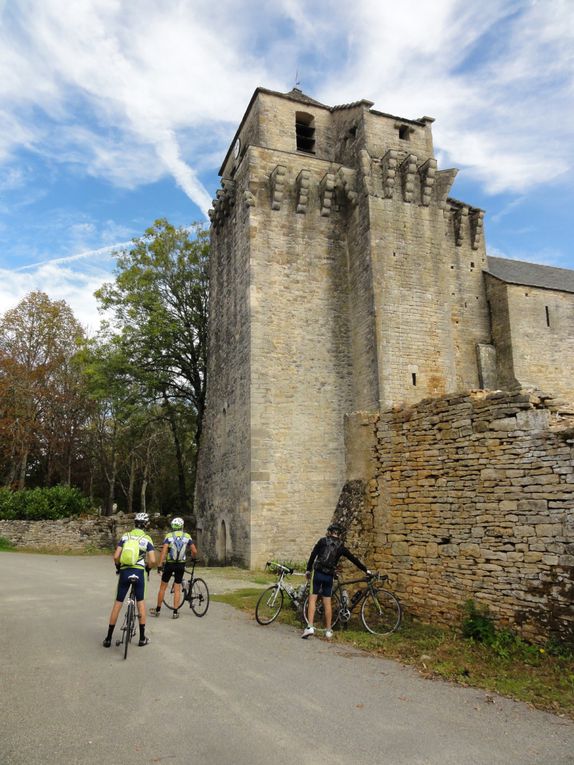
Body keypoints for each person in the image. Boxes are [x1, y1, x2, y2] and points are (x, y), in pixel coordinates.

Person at [302, 523, 371, 640]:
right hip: (329, 576)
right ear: (340, 534)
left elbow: (313, 555)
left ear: (329, 532)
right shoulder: (341, 547)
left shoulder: (322, 541)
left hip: (317, 573)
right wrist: (366, 570)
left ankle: (310, 627)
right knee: (327, 602)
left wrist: (308, 570)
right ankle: (328, 630)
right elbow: (353, 559)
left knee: (313, 599)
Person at [102, 512, 156, 648]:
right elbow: (153, 560)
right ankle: (142, 638)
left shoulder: (126, 536)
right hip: (139, 572)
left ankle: (108, 638)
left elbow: (115, 556)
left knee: (118, 603)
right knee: (141, 603)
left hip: (125, 572)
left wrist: (118, 567)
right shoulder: (147, 538)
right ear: (146, 525)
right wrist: (148, 569)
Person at [149, 517, 197, 619]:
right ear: (182, 526)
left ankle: (158, 610)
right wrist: (193, 558)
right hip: (181, 564)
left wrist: (159, 564)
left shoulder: (169, 536)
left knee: (163, 588)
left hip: (170, 564)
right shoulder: (187, 536)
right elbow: (194, 550)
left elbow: (164, 551)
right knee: (177, 588)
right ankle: (175, 612)